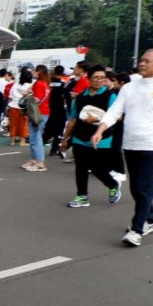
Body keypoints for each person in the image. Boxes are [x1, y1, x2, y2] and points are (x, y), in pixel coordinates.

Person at [92, 49, 153, 247]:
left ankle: (136, 230)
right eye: (141, 60)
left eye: (147, 61)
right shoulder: (129, 88)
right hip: (131, 144)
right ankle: (150, 220)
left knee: (144, 188)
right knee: (136, 189)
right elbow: (114, 112)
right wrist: (100, 129)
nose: (142, 63)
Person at [60, 65, 120, 209]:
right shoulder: (80, 98)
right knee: (80, 167)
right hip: (79, 137)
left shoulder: (110, 96)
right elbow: (73, 120)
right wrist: (64, 139)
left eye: (102, 78)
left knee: (97, 168)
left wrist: (97, 120)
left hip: (102, 139)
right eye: (96, 77)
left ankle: (112, 184)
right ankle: (82, 196)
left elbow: (116, 117)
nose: (99, 80)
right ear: (89, 78)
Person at [23, 65, 52, 172]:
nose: (33, 72)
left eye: (35, 70)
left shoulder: (39, 84)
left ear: (38, 72)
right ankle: (34, 160)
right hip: (44, 112)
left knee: (36, 137)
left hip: (37, 113)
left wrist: (27, 96)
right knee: (34, 137)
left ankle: (40, 162)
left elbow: (37, 100)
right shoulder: (46, 83)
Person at [7, 68, 31, 147]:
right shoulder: (30, 86)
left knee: (13, 124)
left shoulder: (15, 84)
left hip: (13, 106)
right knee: (23, 125)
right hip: (23, 108)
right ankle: (22, 142)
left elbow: (10, 96)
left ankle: (12, 142)